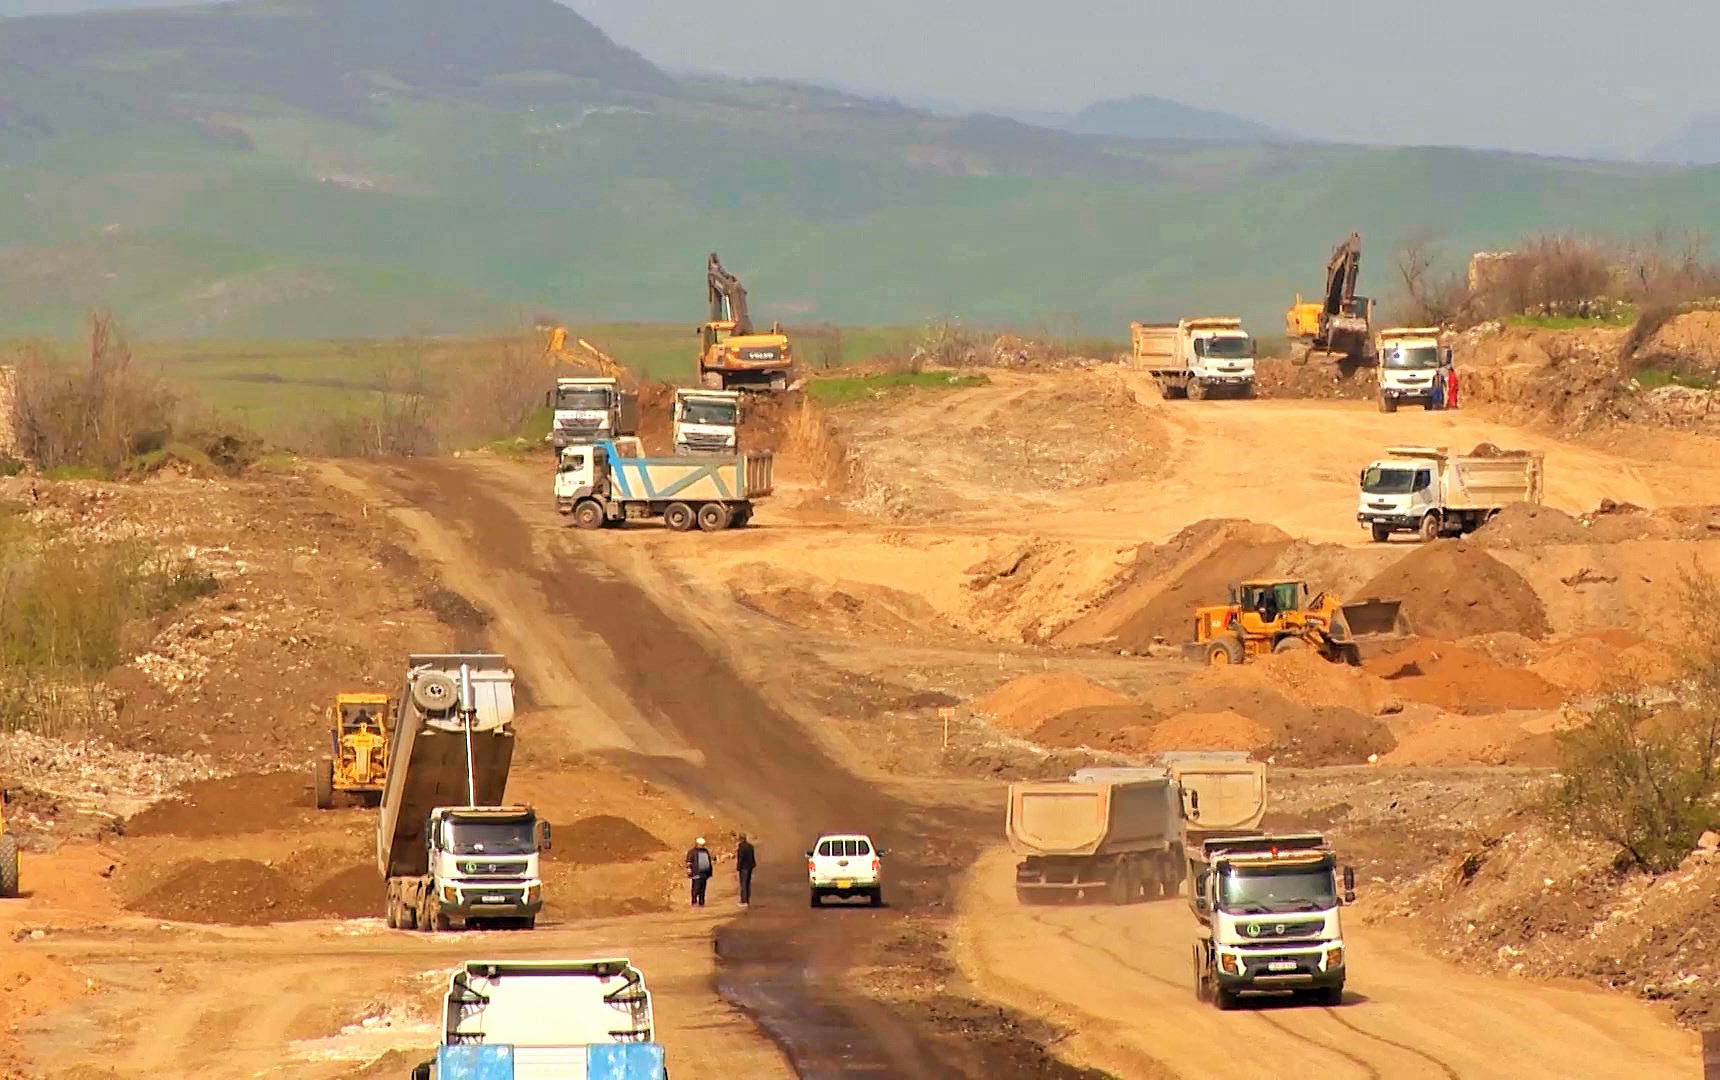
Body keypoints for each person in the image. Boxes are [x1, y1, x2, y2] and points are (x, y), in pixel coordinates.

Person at [685, 837, 713, 907]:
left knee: (702, 889)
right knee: (695, 888)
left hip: (704, 874)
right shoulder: (692, 852)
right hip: (696, 873)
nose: (702, 846)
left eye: (703, 845)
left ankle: (701, 903)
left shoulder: (705, 851)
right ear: (697, 844)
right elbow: (688, 862)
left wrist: (709, 872)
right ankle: (694, 902)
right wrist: (689, 869)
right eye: (701, 845)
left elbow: (708, 861)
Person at [735, 833, 757, 906]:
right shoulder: (750, 846)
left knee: (743, 884)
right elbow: (752, 857)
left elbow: (740, 858)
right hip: (750, 867)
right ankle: (747, 899)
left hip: (743, 868)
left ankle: (743, 901)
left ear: (740, 839)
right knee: (748, 883)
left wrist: (738, 867)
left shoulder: (741, 847)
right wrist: (753, 865)